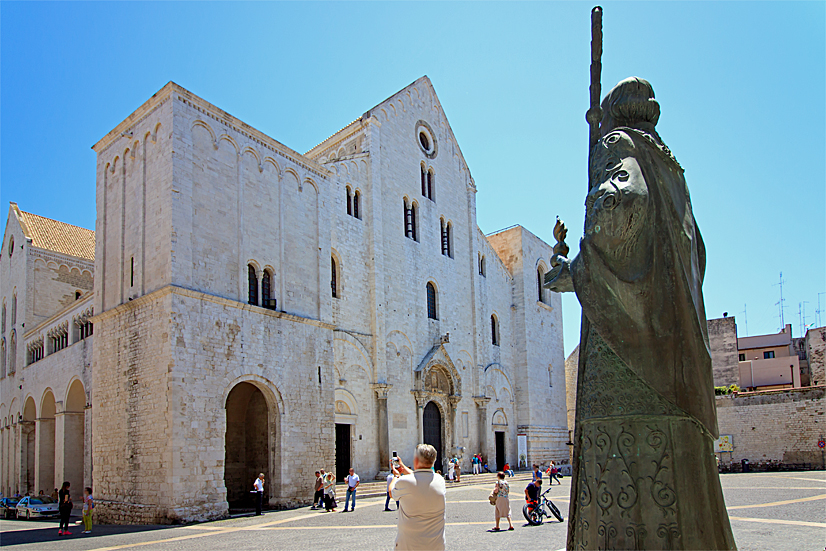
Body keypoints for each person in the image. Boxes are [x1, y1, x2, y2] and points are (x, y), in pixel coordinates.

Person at [546, 77, 736, 549]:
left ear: (612, 115)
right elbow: (698, 252)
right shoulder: (670, 165)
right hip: (678, 351)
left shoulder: (618, 144)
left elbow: (620, 203)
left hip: (626, 364)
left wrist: (581, 264)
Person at [390, 444, 446, 550]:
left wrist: (396, 477)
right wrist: (404, 467)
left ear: (415, 460)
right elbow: (421, 478)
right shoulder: (440, 480)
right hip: (435, 546)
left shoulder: (403, 482)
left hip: (409, 545)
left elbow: (390, 492)